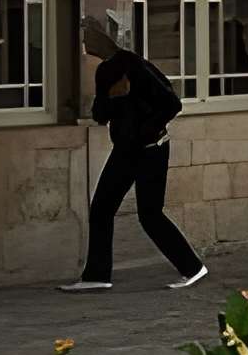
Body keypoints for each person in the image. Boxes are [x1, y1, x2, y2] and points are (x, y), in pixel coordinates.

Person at [60, 16, 206, 292]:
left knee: (149, 214)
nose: (84, 43)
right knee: (102, 208)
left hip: (151, 149)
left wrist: (144, 133)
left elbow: (171, 104)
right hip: (126, 150)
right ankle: (97, 276)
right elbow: (100, 116)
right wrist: (114, 97)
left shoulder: (134, 65)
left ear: (103, 37)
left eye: (88, 37)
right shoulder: (104, 71)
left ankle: (193, 268)